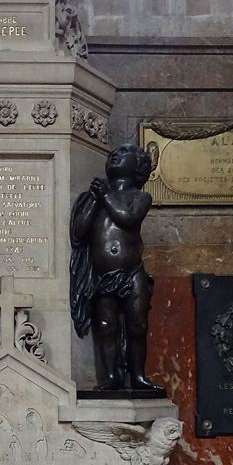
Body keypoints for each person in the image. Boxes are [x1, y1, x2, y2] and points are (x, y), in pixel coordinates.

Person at [70, 144, 164, 393]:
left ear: (138, 169)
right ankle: (110, 376)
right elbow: (79, 232)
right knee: (105, 326)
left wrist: (104, 197)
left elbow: (128, 218)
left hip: (132, 273)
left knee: (137, 325)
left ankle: (138, 376)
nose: (115, 156)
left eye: (123, 155)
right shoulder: (96, 198)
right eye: (114, 154)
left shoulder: (139, 197)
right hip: (103, 276)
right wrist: (92, 202)